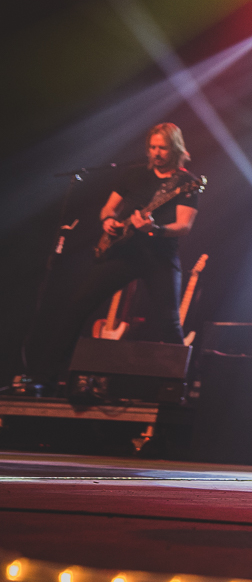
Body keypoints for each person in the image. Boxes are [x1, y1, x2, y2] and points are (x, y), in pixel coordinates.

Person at [26, 124, 202, 386]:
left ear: (175, 149)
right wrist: (108, 221)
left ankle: (180, 384)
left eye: (162, 148)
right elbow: (108, 209)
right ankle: (46, 376)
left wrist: (155, 228)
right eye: (152, 147)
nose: (156, 153)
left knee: (169, 321)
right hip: (124, 252)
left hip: (160, 258)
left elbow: (184, 226)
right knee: (78, 303)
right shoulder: (133, 175)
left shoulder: (187, 183)